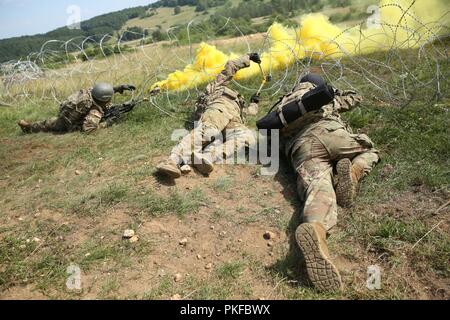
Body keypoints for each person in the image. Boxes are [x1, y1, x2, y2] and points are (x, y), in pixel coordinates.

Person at [273, 74, 380, 291]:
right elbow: (355, 98)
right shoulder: (318, 96)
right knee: (370, 150)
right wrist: (336, 93)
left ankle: (317, 228)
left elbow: (273, 137)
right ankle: (353, 172)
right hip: (331, 134)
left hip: (302, 147)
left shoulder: (283, 107)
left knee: (318, 188)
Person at [156, 53, 262, 179]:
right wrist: (248, 57)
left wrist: (254, 103)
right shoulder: (217, 86)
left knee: (247, 136)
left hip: (234, 120)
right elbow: (231, 65)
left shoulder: (240, 107)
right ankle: (173, 161)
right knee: (208, 130)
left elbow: (249, 112)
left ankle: (206, 157)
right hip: (219, 108)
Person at [18, 83, 136, 134]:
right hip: (73, 125)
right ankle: (28, 128)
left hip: (66, 115)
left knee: (47, 124)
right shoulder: (94, 112)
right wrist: (108, 123)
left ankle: (28, 127)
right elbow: (89, 130)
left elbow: (102, 91)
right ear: (104, 100)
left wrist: (119, 87)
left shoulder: (91, 93)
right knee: (51, 126)